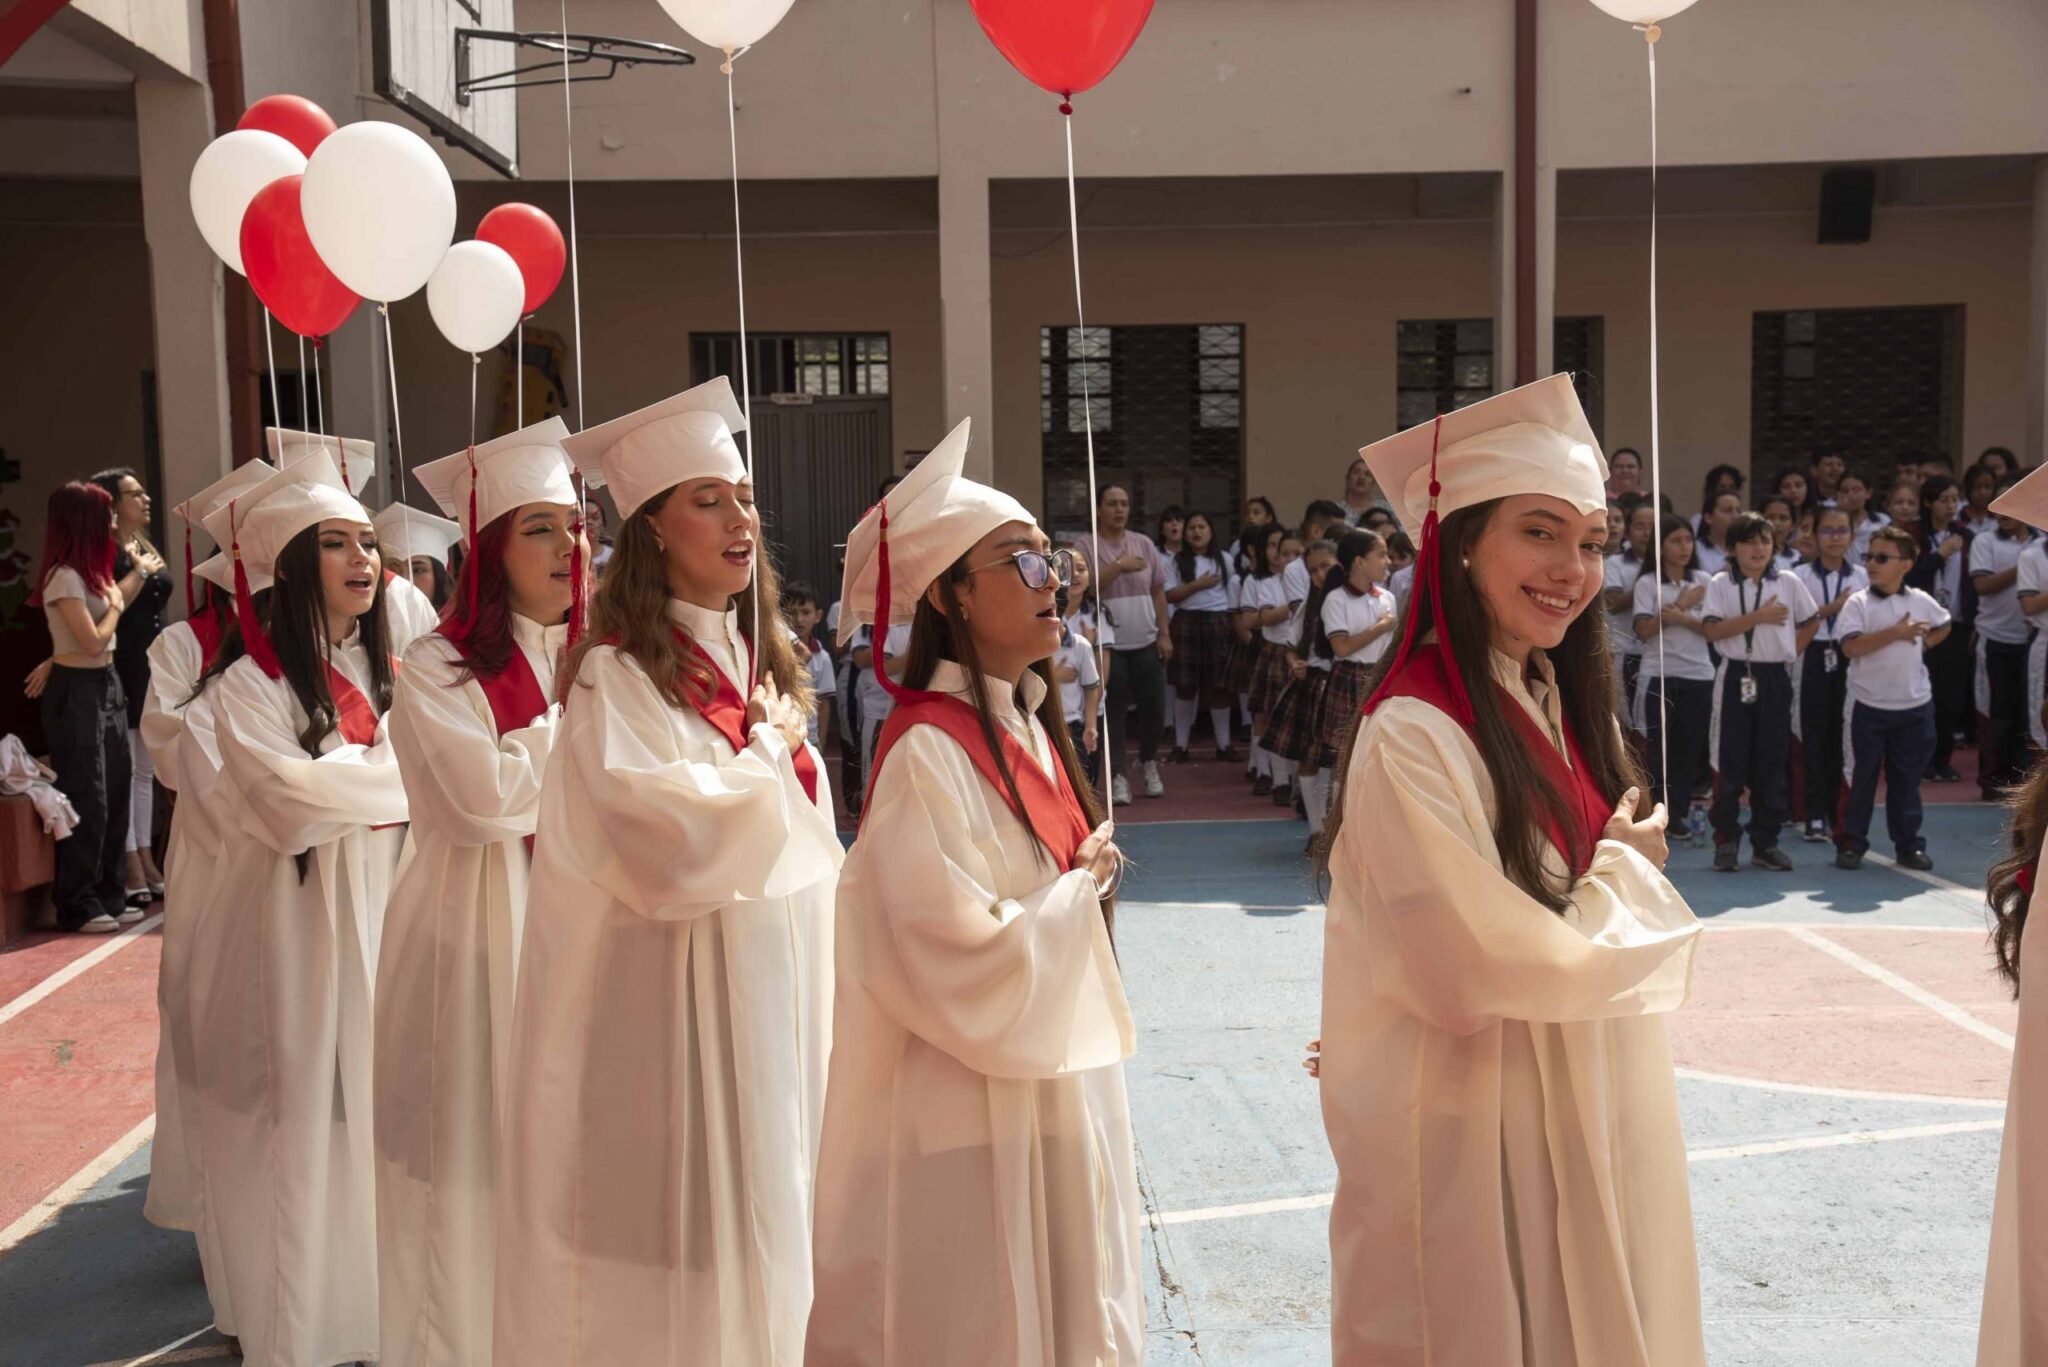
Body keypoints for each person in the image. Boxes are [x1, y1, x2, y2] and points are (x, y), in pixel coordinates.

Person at [1318, 374, 1702, 1366]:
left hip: (1567, 1103)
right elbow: (1467, 959)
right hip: (1471, 1121)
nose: (1571, 568)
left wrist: (1615, 851)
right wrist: (1623, 867)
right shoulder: (1414, 729)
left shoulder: (1546, 693)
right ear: (1458, 542)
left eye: (1590, 541)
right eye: (1538, 531)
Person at [497, 379, 839, 1366]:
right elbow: (664, 835)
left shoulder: (746, 654)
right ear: (648, 531)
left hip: (764, 984)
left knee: (772, 1202)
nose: (740, 518)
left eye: (742, 497)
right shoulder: (616, 675)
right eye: (707, 498)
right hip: (669, 999)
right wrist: (771, 760)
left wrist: (771, 758)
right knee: (687, 1245)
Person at [810, 417, 1140, 1366]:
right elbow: (940, 950)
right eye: (1024, 564)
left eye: (1056, 562)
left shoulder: (1031, 723)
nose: (1056, 584)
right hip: (966, 1112)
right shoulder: (927, 751)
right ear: (953, 593)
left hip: (1045, 1092)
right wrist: (1077, 900)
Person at [372, 419, 583, 1367]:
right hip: (477, 936)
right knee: (477, 1168)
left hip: (581, 934)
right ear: (490, 549)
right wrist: (585, 723)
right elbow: (482, 800)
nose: (569, 546)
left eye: (577, 525)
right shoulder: (438, 669)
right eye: (539, 527)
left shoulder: (616, 658)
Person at [192, 451, 408, 1366]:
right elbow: (289, 807)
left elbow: (433, 783)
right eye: (335, 544)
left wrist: (356, 779)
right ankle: (307, 1332)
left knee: (388, 1127)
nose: (364, 559)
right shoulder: (247, 685)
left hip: (391, 912)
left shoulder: (400, 670)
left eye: (368, 542)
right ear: (289, 566)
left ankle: (384, 1318)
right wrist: (397, 780)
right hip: (299, 931)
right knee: (307, 1130)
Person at [134, 458, 270, 1298]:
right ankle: (212, 1202)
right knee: (207, 1017)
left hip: (300, 853)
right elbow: (173, 747)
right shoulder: (183, 642)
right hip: (218, 849)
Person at [33, 481, 148, 933]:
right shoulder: (63, 576)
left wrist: (117, 592)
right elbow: (91, 640)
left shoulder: (92, 573)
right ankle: (77, 902)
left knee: (116, 788)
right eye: (106, 513)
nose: (114, 520)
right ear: (84, 520)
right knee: (89, 795)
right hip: (77, 688)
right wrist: (118, 604)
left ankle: (108, 894)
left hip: (107, 684)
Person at [1702, 513, 1819, 871]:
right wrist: (1759, 617)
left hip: (1773, 678)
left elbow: (1811, 620)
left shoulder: (1787, 580)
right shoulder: (1720, 582)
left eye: (1765, 541)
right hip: (1736, 672)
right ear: (1733, 547)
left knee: (1771, 761)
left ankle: (1765, 842)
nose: (1759, 549)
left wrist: (1789, 651)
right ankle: (1726, 840)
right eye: (1750, 541)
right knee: (1729, 760)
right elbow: (1711, 631)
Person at [1834, 525, 1949, 871]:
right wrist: (1896, 633)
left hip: (1914, 707)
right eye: (1869, 556)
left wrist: (1924, 642)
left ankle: (1908, 845)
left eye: (1882, 557)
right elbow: (1850, 647)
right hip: (1867, 706)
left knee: (1906, 782)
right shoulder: (1858, 602)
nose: (1871, 563)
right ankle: (1851, 844)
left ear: (1907, 564)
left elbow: (1944, 624)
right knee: (1861, 778)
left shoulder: (1920, 601)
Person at [269, 427, 443, 653]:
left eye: (368, 543)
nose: (360, 555)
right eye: (333, 543)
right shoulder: (250, 671)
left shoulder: (403, 599)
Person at [90, 467, 173, 908]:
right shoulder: (106, 551)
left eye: (144, 492)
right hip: (119, 663)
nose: (145, 499)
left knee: (145, 769)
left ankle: (144, 852)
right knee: (122, 769)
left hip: (150, 665)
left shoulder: (143, 545)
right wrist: (138, 573)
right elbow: (106, 607)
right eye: (134, 494)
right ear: (112, 502)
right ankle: (128, 862)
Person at [1301, 528, 1395, 848]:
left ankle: (1363, 827)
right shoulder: (1335, 599)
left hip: (1379, 677)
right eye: (1380, 554)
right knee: (1342, 755)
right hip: (1349, 677)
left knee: (1374, 753)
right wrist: (1382, 626)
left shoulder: (1386, 596)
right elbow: (1341, 647)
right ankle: (1336, 830)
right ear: (1358, 561)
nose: (1388, 561)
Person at [1635, 513, 1715, 842]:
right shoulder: (1646, 583)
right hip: (1660, 673)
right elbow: (1643, 630)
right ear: (1661, 546)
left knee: (1689, 749)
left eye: (1687, 540)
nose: (1684, 547)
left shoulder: (1705, 580)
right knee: (1657, 750)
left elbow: (1714, 629)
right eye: (1675, 541)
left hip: (1698, 673)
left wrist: (1678, 615)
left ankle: (1678, 814)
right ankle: (1654, 814)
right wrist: (1681, 606)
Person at [1090, 484, 1171, 803]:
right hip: (1109, 646)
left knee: (1155, 708)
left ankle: (1147, 761)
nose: (1119, 509)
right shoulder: (1087, 544)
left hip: (1147, 640)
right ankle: (1118, 773)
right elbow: (1087, 585)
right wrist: (1119, 566)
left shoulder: (1144, 544)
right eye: (1112, 504)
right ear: (1098, 509)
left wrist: (1164, 632)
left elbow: (1159, 591)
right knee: (1114, 712)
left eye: (1124, 503)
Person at [1793, 507, 1869, 843]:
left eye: (1842, 531)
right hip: (1811, 655)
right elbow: (1792, 622)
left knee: (1844, 738)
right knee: (1814, 736)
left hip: (1848, 656)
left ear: (1852, 536)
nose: (1835, 538)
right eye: (1828, 531)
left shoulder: (1863, 577)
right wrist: (1832, 609)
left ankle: (1841, 813)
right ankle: (1814, 814)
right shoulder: (1798, 575)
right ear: (1814, 535)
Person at [1908, 475, 1975, 782]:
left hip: (1956, 624)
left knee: (1950, 697)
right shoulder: (1913, 536)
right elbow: (1909, 579)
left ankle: (1943, 758)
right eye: (1944, 500)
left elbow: (1973, 585)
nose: (1950, 506)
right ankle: (1919, 758)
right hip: (1920, 626)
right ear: (1928, 503)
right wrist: (1939, 555)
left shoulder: (1967, 536)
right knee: (1922, 693)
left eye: (1954, 499)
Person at [1972, 502, 2037, 799]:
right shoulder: (1985, 541)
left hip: (2031, 639)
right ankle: (1993, 781)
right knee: (1996, 713)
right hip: (1995, 638)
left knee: (2028, 713)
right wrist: (2025, 565)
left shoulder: (2039, 542)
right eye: (2000, 505)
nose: (2005, 512)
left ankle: (2023, 780)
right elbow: (1983, 585)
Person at [1164, 510, 1239, 761]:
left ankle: (1224, 745)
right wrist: (1198, 585)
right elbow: (1169, 595)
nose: (1197, 532)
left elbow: (1231, 595)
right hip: (1186, 622)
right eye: (1192, 528)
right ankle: (1181, 745)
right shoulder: (1177, 561)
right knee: (1185, 686)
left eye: (1202, 527)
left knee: (1220, 687)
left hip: (1218, 622)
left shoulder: (1224, 559)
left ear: (1211, 531)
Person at [1606, 498, 1655, 720]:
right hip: (1627, 655)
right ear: (1629, 530)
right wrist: (1648, 582)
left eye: (1653, 527)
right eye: (1640, 526)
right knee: (1630, 725)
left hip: (1664, 657)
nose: (1647, 533)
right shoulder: (1615, 563)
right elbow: (1613, 604)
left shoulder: (1674, 565)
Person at [372, 501, 463, 613]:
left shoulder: (459, 629)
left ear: (438, 577)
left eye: (418, 570)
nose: (405, 579)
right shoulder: (364, 629)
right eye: (393, 570)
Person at [784, 582, 837, 753]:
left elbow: (824, 703)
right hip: (781, 738)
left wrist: (820, 741)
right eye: (791, 613)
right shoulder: (773, 653)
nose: (798, 619)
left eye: (806, 612)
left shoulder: (822, 658)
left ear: (818, 615)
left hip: (810, 739)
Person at [1837, 467, 1890, 562]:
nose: (1850, 495)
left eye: (1856, 490)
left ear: (1868, 493)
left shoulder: (1882, 521)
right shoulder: (1831, 523)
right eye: (1845, 491)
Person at [1694, 489, 1741, 577]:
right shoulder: (1696, 549)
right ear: (1709, 518)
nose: (1735, 516)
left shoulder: (1747, 547)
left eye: (1738, 511)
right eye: (1727, 510)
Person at [1340, 455, 1395, 527]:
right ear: (1347, 478)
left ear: (1373, 482)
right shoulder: (1336, 510)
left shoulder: (1386, 508)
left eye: (1367, 474)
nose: (1361, 478)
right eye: (1356, 472)